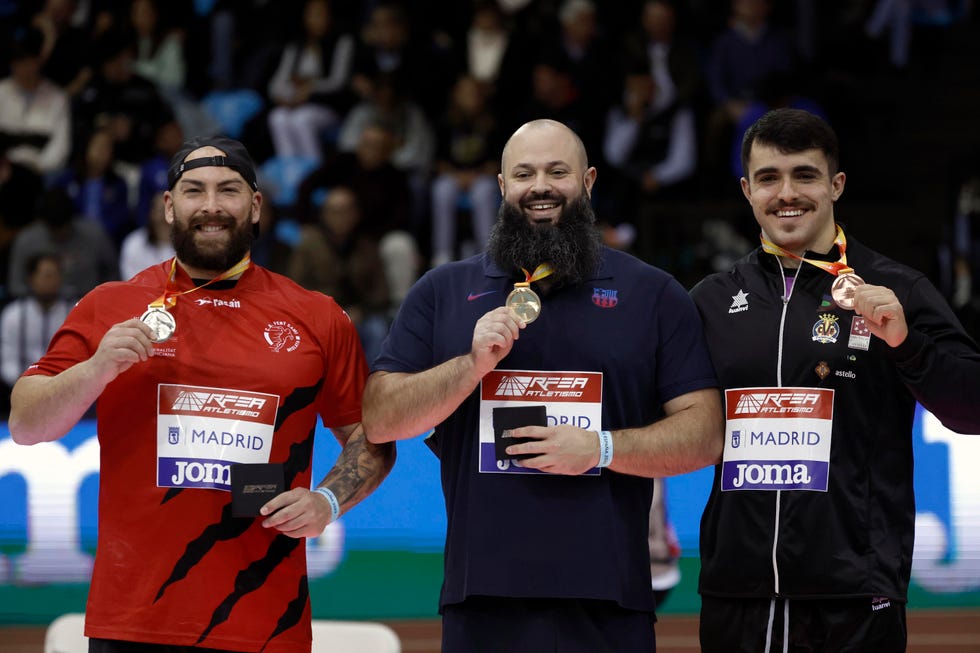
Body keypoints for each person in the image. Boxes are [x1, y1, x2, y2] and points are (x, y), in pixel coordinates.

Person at [8, 136, 396, 652]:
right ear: (169, 206)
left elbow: (372, 435)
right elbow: (26, 423)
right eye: (194, 191)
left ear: (256, 206)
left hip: (264, 622)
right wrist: (96, 369)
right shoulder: (110, 306)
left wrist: (327, 500)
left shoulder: (317, 316)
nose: (211, 206)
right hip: (133, 622)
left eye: (228, 190)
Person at [362, 118, 723, 652]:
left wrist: (601, 448)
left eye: (559, 171)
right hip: (481, 598)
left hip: (610, 599)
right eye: (524, 173)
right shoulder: (443, 291)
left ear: (589, 180)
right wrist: (470, 365)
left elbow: (705, 434)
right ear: (503, 186)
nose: (541, 187)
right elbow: (381, 418)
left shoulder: (653, 294)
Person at [691, 108, 980, 652]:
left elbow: (972, 409)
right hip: (738, 592)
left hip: (854, 594)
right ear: (747, 190)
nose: (786, 193)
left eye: (804, 175)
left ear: (836, 185)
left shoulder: (897, 289)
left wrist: (906, 343)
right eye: (769, 178)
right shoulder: (709, 301)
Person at [0, 252, 72, 387]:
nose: (50, 281)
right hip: (22, 387)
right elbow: (8, 361)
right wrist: (29, 385)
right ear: (31, 279)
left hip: (65, 386)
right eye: (46, 276)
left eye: (54, 275)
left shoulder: (73, 311)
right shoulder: (13, 315)